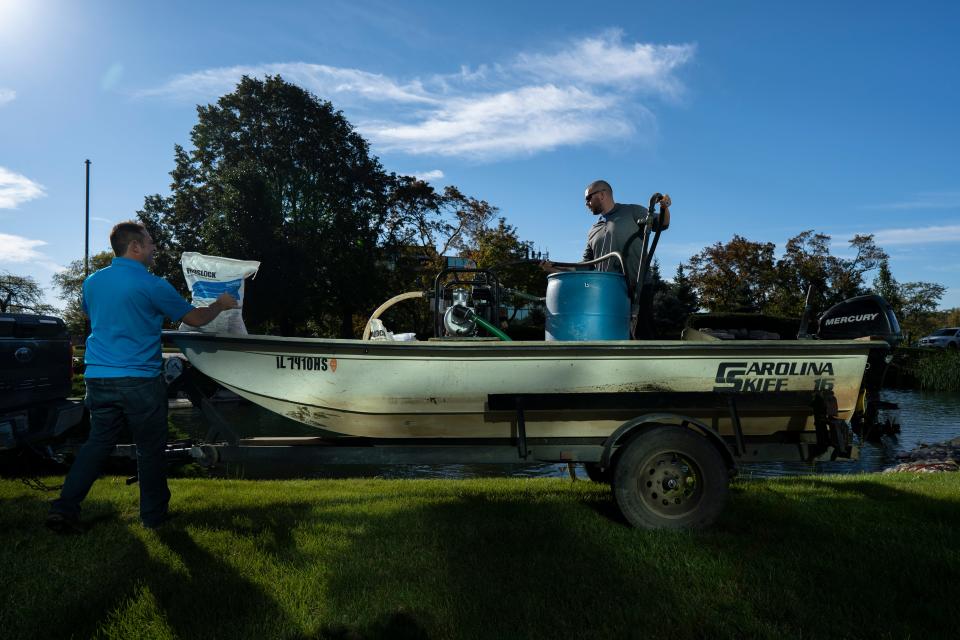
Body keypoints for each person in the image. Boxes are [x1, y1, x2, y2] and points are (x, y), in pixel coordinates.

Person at [45, 222, 238, 533]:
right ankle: (153, 517)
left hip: (98, 377)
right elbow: (196, 319)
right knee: (150, 449)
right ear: (134, 247)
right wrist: (221, 304)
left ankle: (64, 508)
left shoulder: (92, 282)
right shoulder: (153, 285)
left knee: (97, 444)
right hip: (139, 380)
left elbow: (90, 315)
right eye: (149, 243)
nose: (153, 248)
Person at [544, 180, 670, 339]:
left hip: (638, 287)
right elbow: (584, 266)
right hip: (607, 291)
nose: (586, 203)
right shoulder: (593, 230)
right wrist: (555, 268)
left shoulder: (631, 211)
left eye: (588, 198)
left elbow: (663, 223)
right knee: (612, 336)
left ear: (602, 194)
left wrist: (664, 207)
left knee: (642, 335)